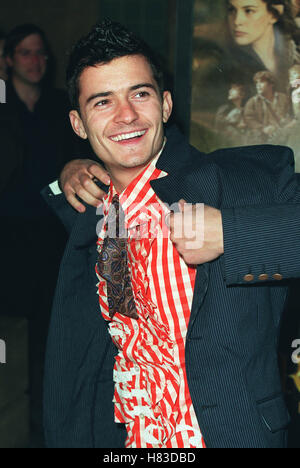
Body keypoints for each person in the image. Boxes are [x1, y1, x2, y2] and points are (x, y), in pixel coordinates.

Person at [42, 19, 300, 448]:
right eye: (102, 102)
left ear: (164, 105)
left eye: (139, 94)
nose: (126, 115)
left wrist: (232, 234)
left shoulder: (235, 181)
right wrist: (68, 171)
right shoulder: (96, 208)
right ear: (78, 124)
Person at [0, 23, 89, 447]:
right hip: (9, 240)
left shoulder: (60, 107)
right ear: (8, 60)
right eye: (25, 54)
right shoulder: (2, 105)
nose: (36, 62)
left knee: (47, 341)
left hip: (53, 239)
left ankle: (41, 431)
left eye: (41, 54)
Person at [225, 0, 300, 91]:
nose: (237, 21)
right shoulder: (228, 68)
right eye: (232, 10)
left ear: (273, 15)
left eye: (249, 11)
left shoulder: (295, 51)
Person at [244, 70, 292, 142]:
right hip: (264, 137)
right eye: (257, 82)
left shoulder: (283, 98)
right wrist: (262, 128)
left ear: (271, 84)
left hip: (284, 134)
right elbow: (248, 118)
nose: (258, 85)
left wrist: (285, 125)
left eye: (262, 82)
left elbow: (291, 114)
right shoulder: (252, 102)